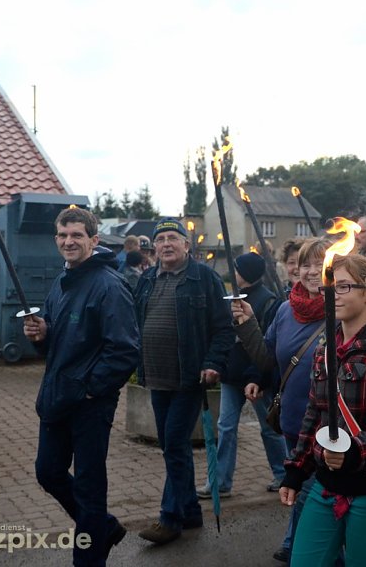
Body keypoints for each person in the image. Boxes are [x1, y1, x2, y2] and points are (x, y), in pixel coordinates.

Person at [280, 254, 366, 566]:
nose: (333, 294)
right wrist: (296, 468)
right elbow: (315, 413)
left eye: (343, 286)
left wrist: (356, 451)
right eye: (330, 286)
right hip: (325, 486)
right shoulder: (324, 350)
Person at [23, 206, 139, 565]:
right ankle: (102, 527)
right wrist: (42, 334)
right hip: (57, 397)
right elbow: (59, 335)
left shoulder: (109, 285)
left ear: (94, 239)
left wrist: (91, 388)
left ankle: (88, 557)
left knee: (89, 489)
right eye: (62, 235)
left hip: (90, 404)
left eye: (76, 235)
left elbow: (125, 350)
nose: (68, 241)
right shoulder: (63, 280)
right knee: (48, 471)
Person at [134, 218, 234, 546]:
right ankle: (190, 510)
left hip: (189, 377)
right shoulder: (147, 279)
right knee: (171, 446)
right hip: (156, 377)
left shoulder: (204, 278)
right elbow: (137, 322)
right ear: (154, 247)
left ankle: (170, 518)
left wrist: (213, 362)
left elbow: (222, 327)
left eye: (173, 238)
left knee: (175, 444)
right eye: (160, 239)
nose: (166, 244)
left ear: (186, 245)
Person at [233, 237, 329, 563]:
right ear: (296, 270)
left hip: (331, 426)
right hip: (293, 422)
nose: (313, 271)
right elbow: (266, 360)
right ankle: (299, 544)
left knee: (315, 494)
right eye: (306, 265)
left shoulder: (344, 309)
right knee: (300, 488)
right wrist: (247, 324)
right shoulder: (286, 311)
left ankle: (301, 548)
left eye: (320, 264)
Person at [196, 252, 287, 499]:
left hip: (257, 376)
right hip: (231, 374)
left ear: (245, 273)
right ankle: (221, 482)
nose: (233, 272)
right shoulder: (232, 298)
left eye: (237, 268)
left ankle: (282, 474)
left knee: (269, 428)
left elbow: (266, 345)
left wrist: (257, 376)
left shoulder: (268, 302)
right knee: (225, 427)